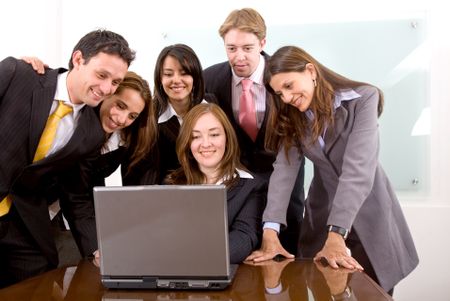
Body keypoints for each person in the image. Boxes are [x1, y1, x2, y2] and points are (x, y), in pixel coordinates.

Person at [247, 45, 419, 294]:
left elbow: (358, 169)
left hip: (370, 211)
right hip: (322, 214)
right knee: (322, 291)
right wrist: (270, 231)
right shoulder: (292, 115)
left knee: (374, 292)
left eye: (289, 86)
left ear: (310, 71)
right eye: (279, 93)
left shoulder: (363, 99)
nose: (285, 98)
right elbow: (284, 170)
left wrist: (337, 233)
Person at [0, 29, 135, 287]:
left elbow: (76, 194)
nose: (107, 88)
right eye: (101, 75)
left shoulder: (91, 132)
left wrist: (97, 250)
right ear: (78, 59)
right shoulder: (20, 74)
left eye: (115, 82)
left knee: (40, 280)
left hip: (20, 223)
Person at [203, 8, 305, 255]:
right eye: (231, 48)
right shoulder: (209, 79)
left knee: (284, 267)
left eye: (247, 48)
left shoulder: (284, 78)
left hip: (285, 189)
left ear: (262, 43)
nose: (239, 57)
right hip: (238, 195)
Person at [165, 103, 266, 263]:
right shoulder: (172, 184)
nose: (206, 144)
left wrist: (190, 256)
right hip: (175, 277)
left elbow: (243, 239)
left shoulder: (251, 187)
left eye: (214, 135)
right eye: (196, 136)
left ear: (227, 137)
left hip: (222, 275)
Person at [123, 44, 216, 185]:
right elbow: (134, 173)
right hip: (163, 196)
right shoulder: (146, 115)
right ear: (160, 78)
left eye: (184, 73)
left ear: (195, 76)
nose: (176, 80)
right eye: (168, 74)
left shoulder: (213, 106)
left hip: (209, 190)